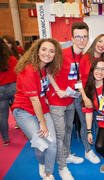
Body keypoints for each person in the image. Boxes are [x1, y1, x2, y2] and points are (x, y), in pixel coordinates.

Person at [47, 22, 100, 180]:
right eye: (78, 36)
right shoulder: (62, 53)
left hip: (71, 99)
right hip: (57, 100)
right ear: (72, 37)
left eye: (84, 36)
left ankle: (68, 154)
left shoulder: (84, 57)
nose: (82, 40)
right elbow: (49, 72)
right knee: (60, 133)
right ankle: (62, 168)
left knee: (69, 130)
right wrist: (57, 90)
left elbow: (79, 79)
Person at [11, 38, 62, 180]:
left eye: (51, 51)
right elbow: (34, 99)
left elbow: (43, 89)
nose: (47, 53)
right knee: (41, 144)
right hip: (24, 111)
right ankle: (42, 162)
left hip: (41, 108)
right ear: (37, 50)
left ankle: (48, 173)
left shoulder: (44, 68)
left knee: (52, 143)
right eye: (44, 49)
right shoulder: (29, 70)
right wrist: (43, 122)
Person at [0, 38, 17, 145]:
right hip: (13, 87)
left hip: (0, 90)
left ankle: (5, 139)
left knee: (2, 115)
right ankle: (27, 133)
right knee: (19, 112)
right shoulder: (12, 59)